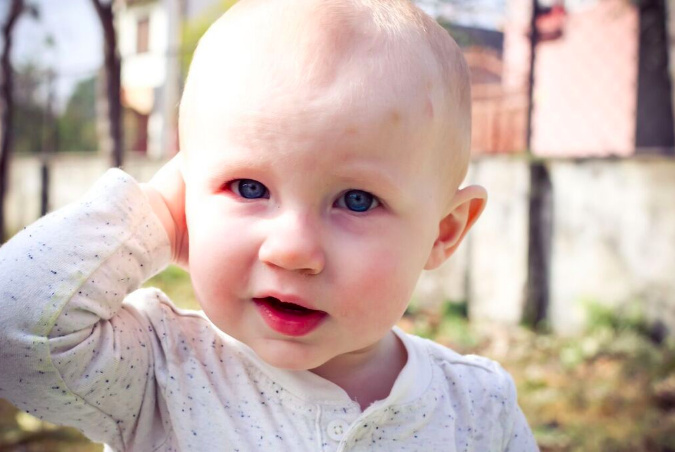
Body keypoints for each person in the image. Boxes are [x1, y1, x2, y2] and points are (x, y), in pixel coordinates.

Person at [0, 0, 538, 450]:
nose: (292, 250)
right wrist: (159, 212)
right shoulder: (159, 368)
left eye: (356, 199)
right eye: (249, 188)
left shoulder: (478, 409)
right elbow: (14, 321)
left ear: (444, 231)